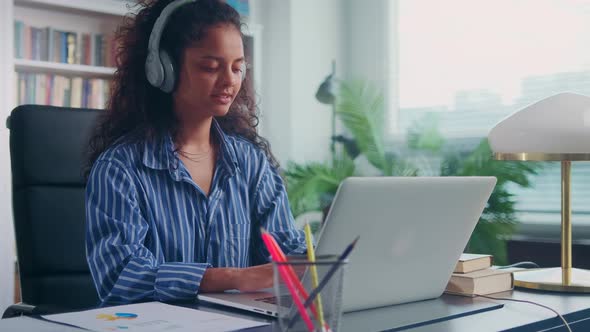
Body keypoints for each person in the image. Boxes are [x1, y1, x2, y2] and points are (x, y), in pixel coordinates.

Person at [85, 0, 306, 305]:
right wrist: (233, 278)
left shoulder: (250, 163)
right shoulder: (120, 169)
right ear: (163, 69)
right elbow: (121, 277)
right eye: (210, 67)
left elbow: (286, 252)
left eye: (238, 67)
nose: (230, 81)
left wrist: (323, 259)